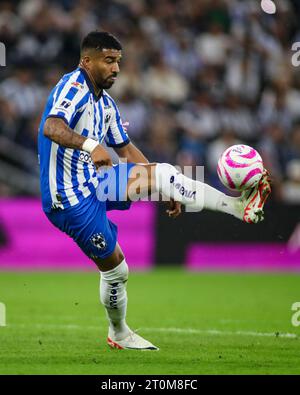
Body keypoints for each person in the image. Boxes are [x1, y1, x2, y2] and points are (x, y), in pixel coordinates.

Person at [38, 31, 271, 351]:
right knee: (118, 269)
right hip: (68, 198)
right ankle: (119, 333)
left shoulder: (105, 104)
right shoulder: (72, 87)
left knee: (163, 171)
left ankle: (237, 206)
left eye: (118, 62)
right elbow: (50, 127)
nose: (116, 69)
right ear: (86, 60)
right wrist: (91, 145)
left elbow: (126, 148)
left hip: (97, 184)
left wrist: (162, 188)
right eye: (108, 61)